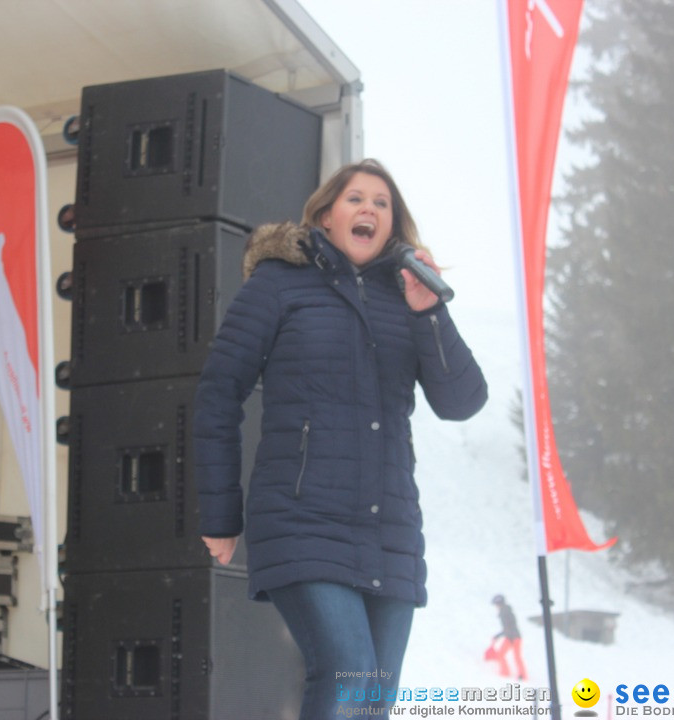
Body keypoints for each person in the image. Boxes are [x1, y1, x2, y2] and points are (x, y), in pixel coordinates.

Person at [193, 158, 488, 718]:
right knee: (350, 677)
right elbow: (217, 394)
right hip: (302, 518)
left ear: (392, 226)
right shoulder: (279, 285)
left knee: (374, 701)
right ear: (327, 216)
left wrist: (429, 315)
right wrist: (220, 515)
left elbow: (462, 402)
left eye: (382, 204)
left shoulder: (409, 301)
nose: (370, 210)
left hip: (390, 531)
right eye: (357, 199)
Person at [492, 594, 527, 681]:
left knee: (515, 656)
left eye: (496, 604)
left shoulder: (505, 613)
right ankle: (507, 672)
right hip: (511, 636)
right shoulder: (505, 612)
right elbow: (508, 627)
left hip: (514, 637)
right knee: (502, 654)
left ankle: (521, 675)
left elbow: (509, 627)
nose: (496, 606)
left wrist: (498, 636)